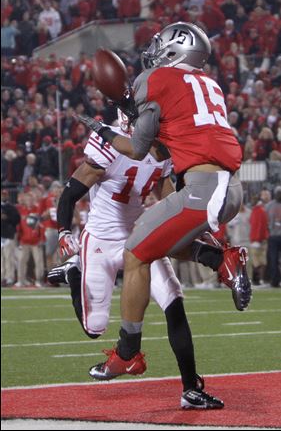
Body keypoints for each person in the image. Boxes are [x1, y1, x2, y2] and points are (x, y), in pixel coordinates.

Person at [77, 22, 252, 405]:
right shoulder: (209, 84)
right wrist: (131, 109)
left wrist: (103, 131)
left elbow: (139, 149)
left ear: (175, 52)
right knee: (161, 244)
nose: (154, 52)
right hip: (229, 188)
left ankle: (128, 351)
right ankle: (218, 259)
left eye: (162, 46)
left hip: (202, 189)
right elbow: (161, 148)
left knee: (136, 252)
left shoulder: (154, 79)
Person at [48, 109, 224, 409]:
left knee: (174, 301)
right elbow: (68, 195)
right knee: (94, 328)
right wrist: (65, 232)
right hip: (100, 241)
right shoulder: (109, 146)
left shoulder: (162, 151)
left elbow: (168, 199)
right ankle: (74, 272)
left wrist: (193, 226)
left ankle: (191, 388)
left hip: (139, 237)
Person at [1, 189, 20, 286]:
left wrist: (6, 217)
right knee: (2, 258)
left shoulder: (11, 207)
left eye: (4, 195)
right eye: (2, 195)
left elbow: (17, 220)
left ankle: (9, 277)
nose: (3, 196)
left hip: (8, 235)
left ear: (7, 196)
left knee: (9, 257)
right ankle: (2, 277)